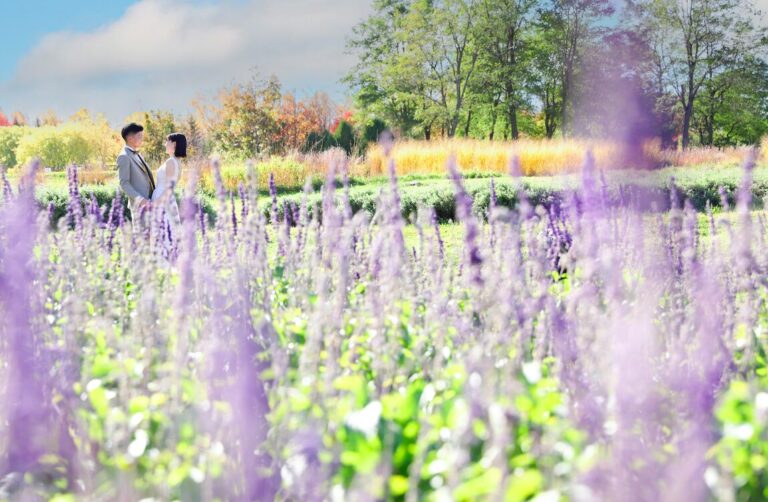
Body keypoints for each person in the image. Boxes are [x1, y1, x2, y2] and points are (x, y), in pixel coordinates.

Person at [117, 123, 155, 223]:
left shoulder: (138, 154)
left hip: (150, 204)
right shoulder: (124, 156)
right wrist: (141, 200)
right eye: (140, 136)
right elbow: (124, 183)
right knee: (141, 238)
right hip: (139, 207)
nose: (142, 139)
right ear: (130, 138)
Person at [151, 133, 186, 230]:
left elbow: (169, 189)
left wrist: (155, 204)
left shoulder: (171, 162)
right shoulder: (177, 162)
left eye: (167, 141)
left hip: (162, 200)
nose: (165, 144)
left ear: (174, 144)